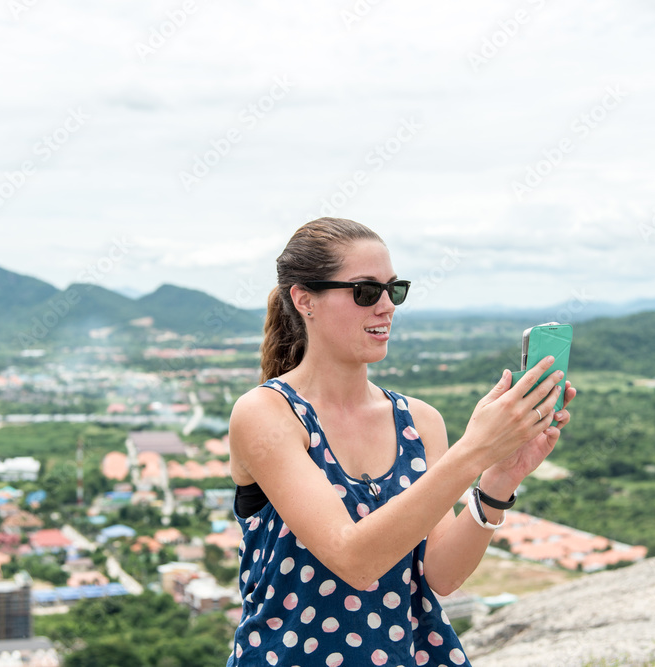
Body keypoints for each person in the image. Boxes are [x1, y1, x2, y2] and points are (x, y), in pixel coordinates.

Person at [226, 217, 575, 666]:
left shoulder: (419, 420)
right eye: (366, 291)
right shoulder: (266, 414)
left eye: (395, 289)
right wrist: (474, 451)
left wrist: (498, 477)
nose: (387, 306)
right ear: (304, 299)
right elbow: (354, 560)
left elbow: (442, 575)